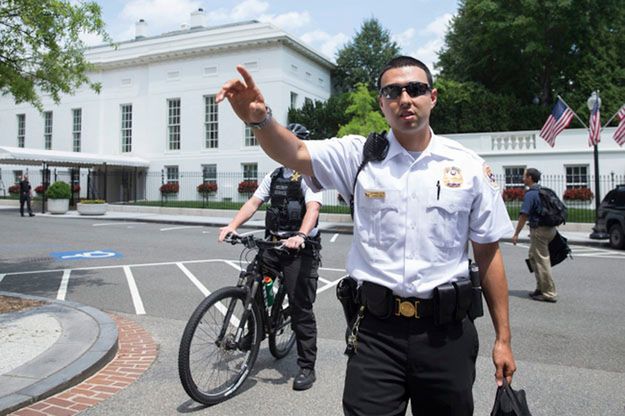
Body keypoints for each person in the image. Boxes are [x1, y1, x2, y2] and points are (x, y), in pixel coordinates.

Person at [216, 56, 516, 415]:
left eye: (416, 89)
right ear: (382, 103)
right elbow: (294, 150)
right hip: (376, 334)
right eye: (393, 91)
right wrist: (260, 120)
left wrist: (503, 339)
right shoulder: (357, 156)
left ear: (432, 97)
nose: (405, 98)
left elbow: (488, 254)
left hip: (446, 335)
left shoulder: (467, 166)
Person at [218, 123, 323, 391]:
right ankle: (254, 332)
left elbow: (312, 208)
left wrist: (300, 234)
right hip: (274, 243)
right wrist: (233, 225)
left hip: (301, 247)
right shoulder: (275, 176)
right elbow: (254, 202)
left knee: (301, 307)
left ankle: (306, 366)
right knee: (250, 284)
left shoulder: (310, 176)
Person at [512, 168, 557, 302]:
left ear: (530, 178)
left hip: (539, 231)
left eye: (524, 176)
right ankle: (541, 288)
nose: (523, 178)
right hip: (550, 229)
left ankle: (549, 293)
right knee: (533, 257)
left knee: (542, 261)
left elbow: (524, 215)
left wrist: (516, 234)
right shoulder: (545, 191)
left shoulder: (531, 194)